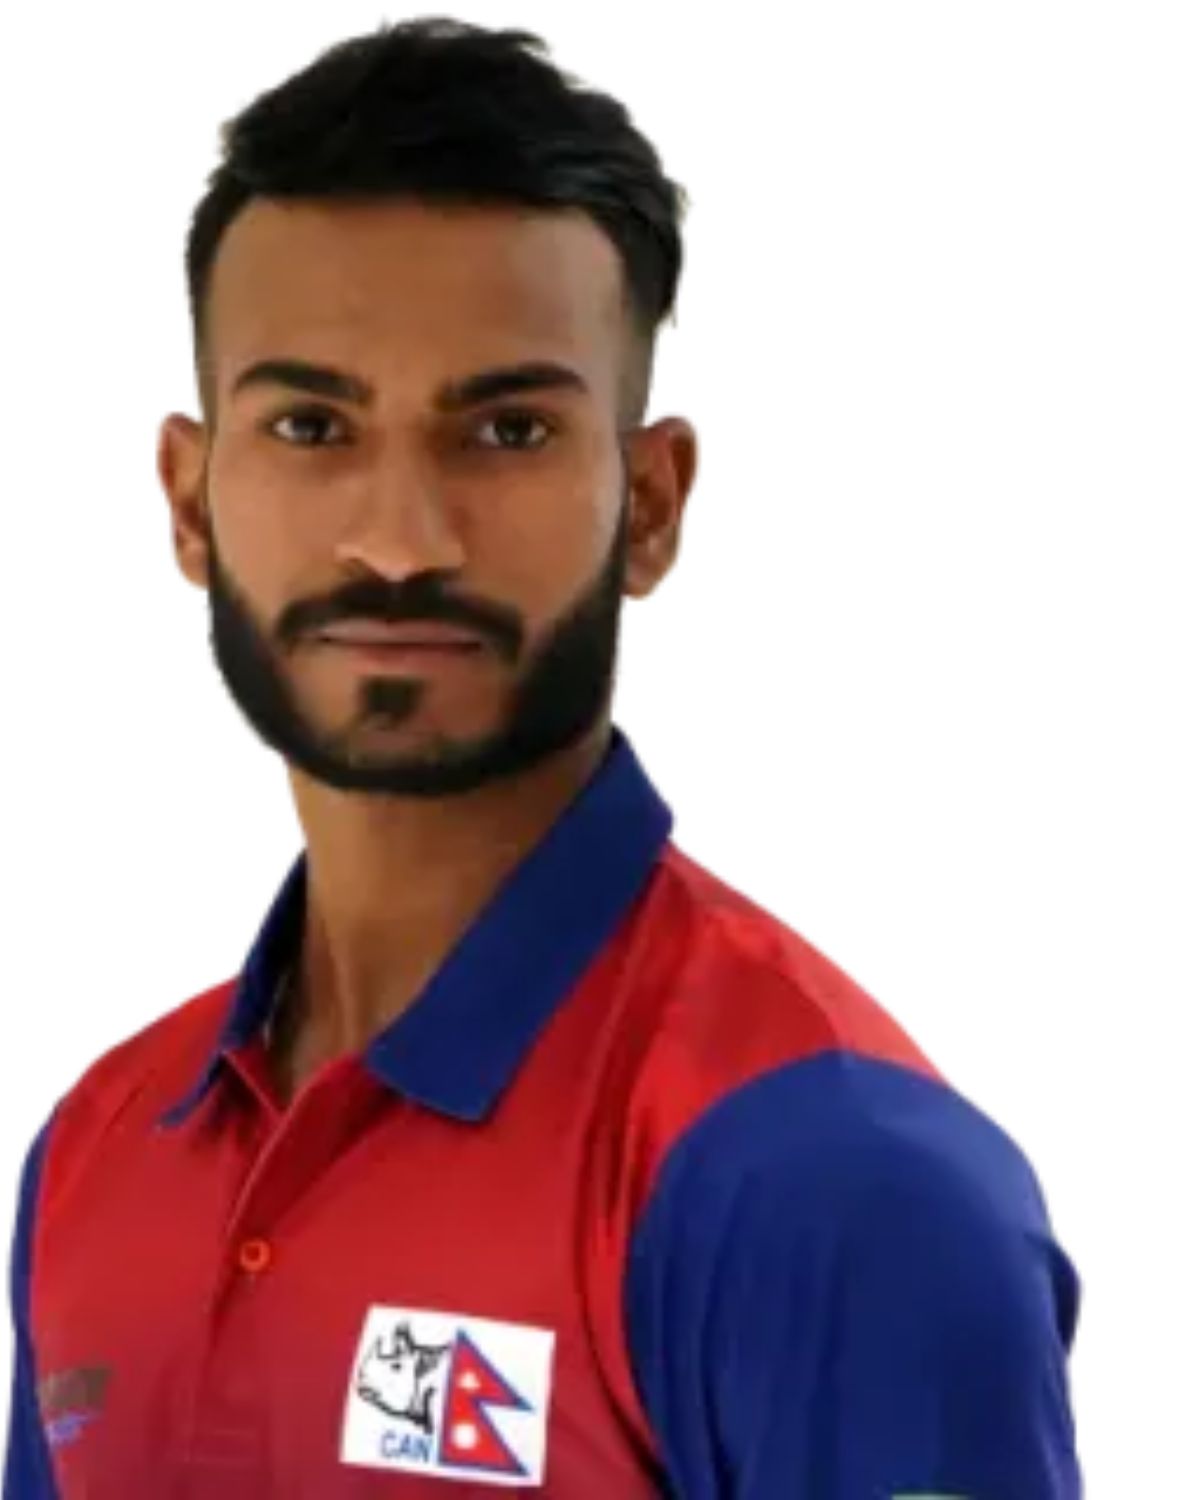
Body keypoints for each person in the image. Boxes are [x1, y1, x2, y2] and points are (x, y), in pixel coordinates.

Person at [2, 17, 1083, 1498]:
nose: (398, 541)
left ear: (651, 504)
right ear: (190, 502)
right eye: (311, 424)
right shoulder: (97, 1150)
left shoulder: (832, 1179)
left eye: (507, 431)